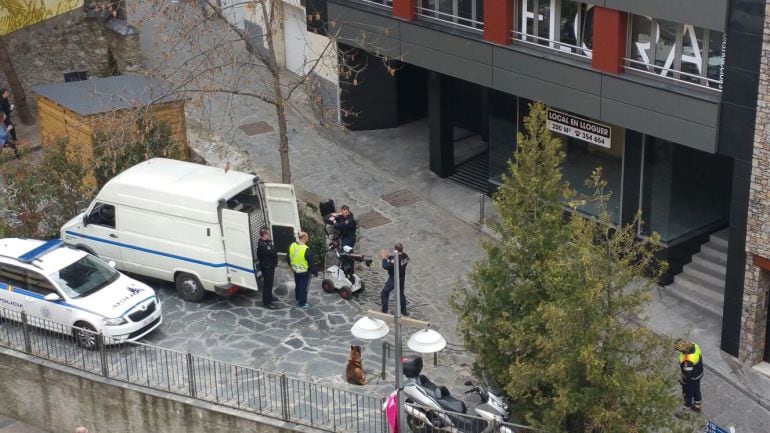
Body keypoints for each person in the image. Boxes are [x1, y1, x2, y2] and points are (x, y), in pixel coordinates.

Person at [288, 231, 318, 309]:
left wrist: (291, 265)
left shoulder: (292, 245)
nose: (308, 239)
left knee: (297, 285)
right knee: (303, 287)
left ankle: (298, 298)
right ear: (304, 238)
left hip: (295, 270)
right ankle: (302, 303)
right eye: (307, 237)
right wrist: (315, 272)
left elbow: (288, 257)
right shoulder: (306, 249)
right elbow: (311, 262)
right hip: (304, 271)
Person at [380, 242, 409, 316]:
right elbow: (396, 259)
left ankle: (384, 311)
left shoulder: (394, 260)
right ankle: (404, 311)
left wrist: (384, 258)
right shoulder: (406, 256)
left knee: (384, 293)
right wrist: (389, 257)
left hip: (394, 278)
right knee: (401, 293)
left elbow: (385, 266)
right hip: (402, 277)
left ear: (395, 250)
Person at [675, 339, 704, 412]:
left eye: (678, 349)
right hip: (699, 373)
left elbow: (688, 375)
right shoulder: (694, 345)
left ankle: (686, 413)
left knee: (688, 393)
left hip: (692, 378)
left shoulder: (687, 360)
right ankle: (698, 406)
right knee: (696, 390)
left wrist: (683, 382)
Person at [256, 227, 279, 309]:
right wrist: (273, 250)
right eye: (268, 234)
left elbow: (273, 251)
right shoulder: (262, 245)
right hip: (267, 267)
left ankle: (270, 297)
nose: (269, 235)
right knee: (267, 284)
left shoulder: (266, 242)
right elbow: (272, 252)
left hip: (270, 266)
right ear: (264, 234)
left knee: (270, 283)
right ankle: (267, 302)